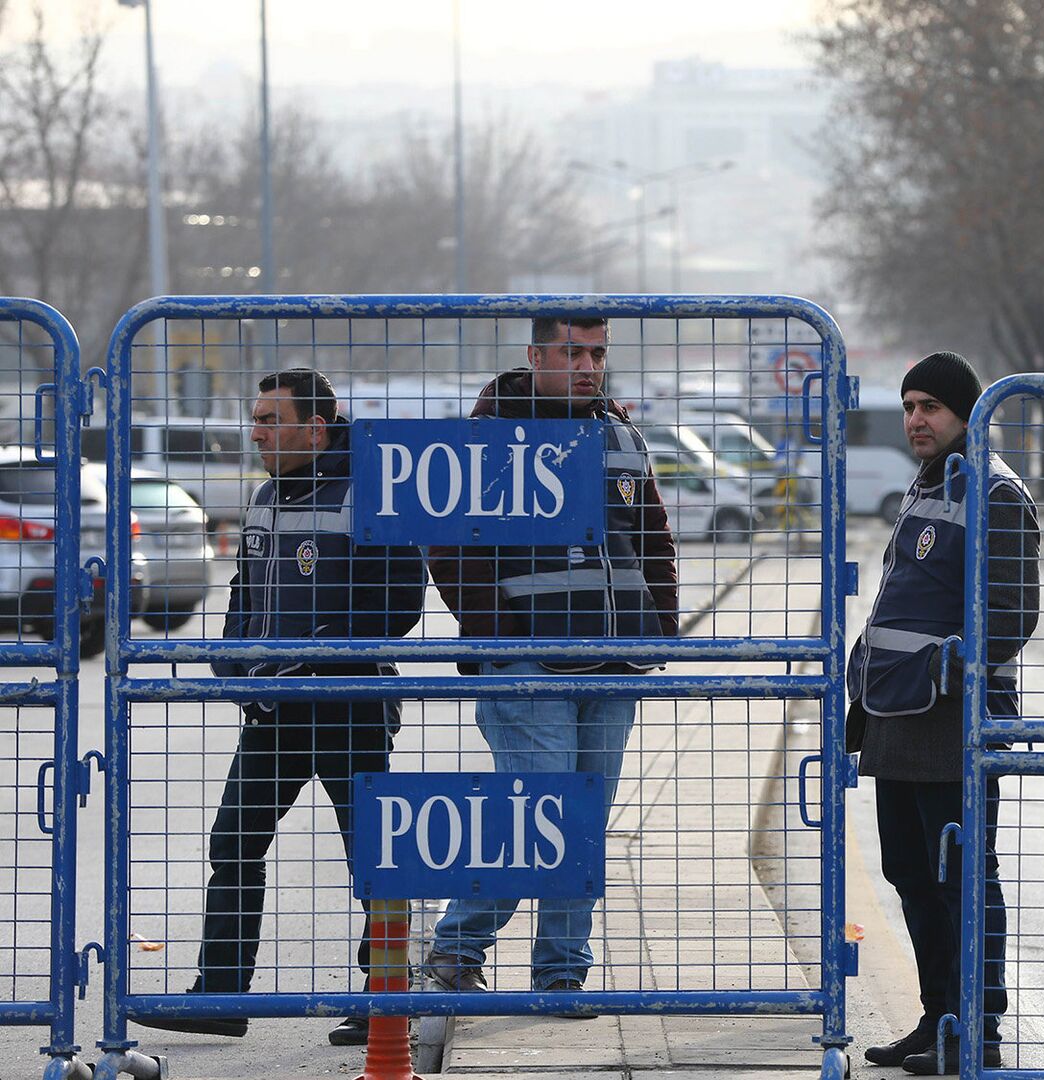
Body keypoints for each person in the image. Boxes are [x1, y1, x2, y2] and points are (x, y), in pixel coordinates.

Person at [134, 368, 426, 1046]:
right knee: (234, 845)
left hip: (349, 707)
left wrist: (305, 655)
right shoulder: (265, 496)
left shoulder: (374, 493)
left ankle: (385, 1000)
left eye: (271, 418)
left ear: (316, 428)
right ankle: (219, 998)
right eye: (256, 417)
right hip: (274, 713)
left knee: (374, 861)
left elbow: (398, 607)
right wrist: (234, 659)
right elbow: (245, 589)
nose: (257, 431)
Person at [421, 315, 678, 1009]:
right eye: (572, 352)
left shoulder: (624, 435)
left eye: (597, 352)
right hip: (528, 664)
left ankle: (562, 973)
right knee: (543, 814)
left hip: (616, 660)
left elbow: (652, 537)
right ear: (535, 355)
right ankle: (455, 949)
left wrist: (661, 631)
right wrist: (502, 634)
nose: (588, 365)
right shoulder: (489, 437)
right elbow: (447, 546)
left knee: (582, 822)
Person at [848, 352, 1039, 1075]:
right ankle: (938, 1016)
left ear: (964, 413)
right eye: (909, 405)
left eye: (930, 405)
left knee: (961, 876)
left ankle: (976, 1028)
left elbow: (1014, 613)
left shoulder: (992, 490)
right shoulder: (931, 482)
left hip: (952, 721)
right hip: (898, 715)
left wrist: (944, 668)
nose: (915, 419)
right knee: (911, 876)